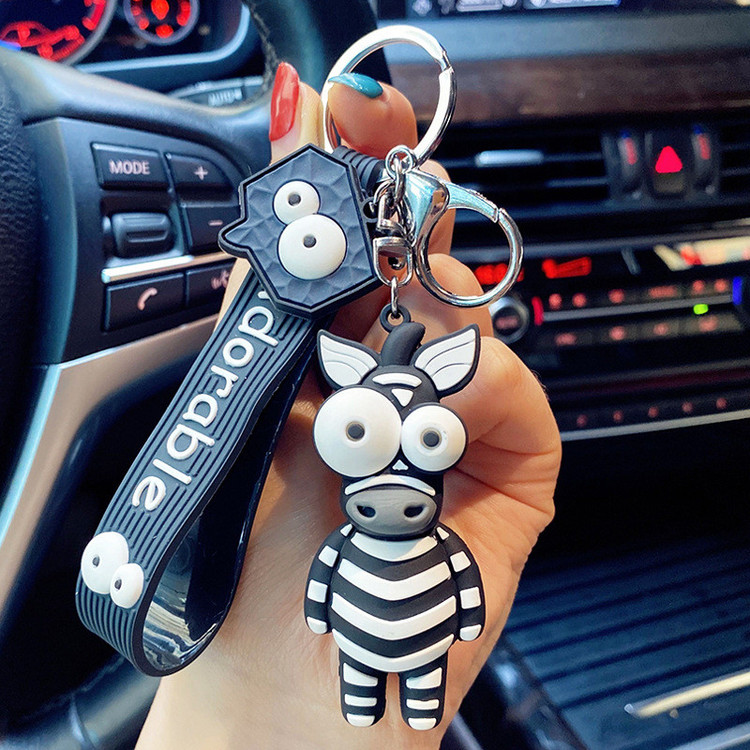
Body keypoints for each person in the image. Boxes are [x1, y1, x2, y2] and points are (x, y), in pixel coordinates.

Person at [135, 63, 562, 750]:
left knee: (416, 685)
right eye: (356, 435)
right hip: (352, 644)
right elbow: (336, 586)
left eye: (429, 440)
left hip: (412, 638)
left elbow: (418, 584)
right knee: (363, 682)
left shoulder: (420, 528)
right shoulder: (355, 536)